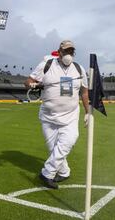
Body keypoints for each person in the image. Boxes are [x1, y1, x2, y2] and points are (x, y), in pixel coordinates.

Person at [24, 40, 89, 189]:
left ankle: (47, 173)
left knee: (68, 141)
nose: (68, 55)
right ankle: (64, 172)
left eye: (71, 52)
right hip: (48, 116)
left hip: (71, 116)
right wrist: (32, 84)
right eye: (66, 51)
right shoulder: (46, 65)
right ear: (59, 52)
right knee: (54, 149)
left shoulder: (79, 69)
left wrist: (88, 112)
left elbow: (84, 92)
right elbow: (27, 81)